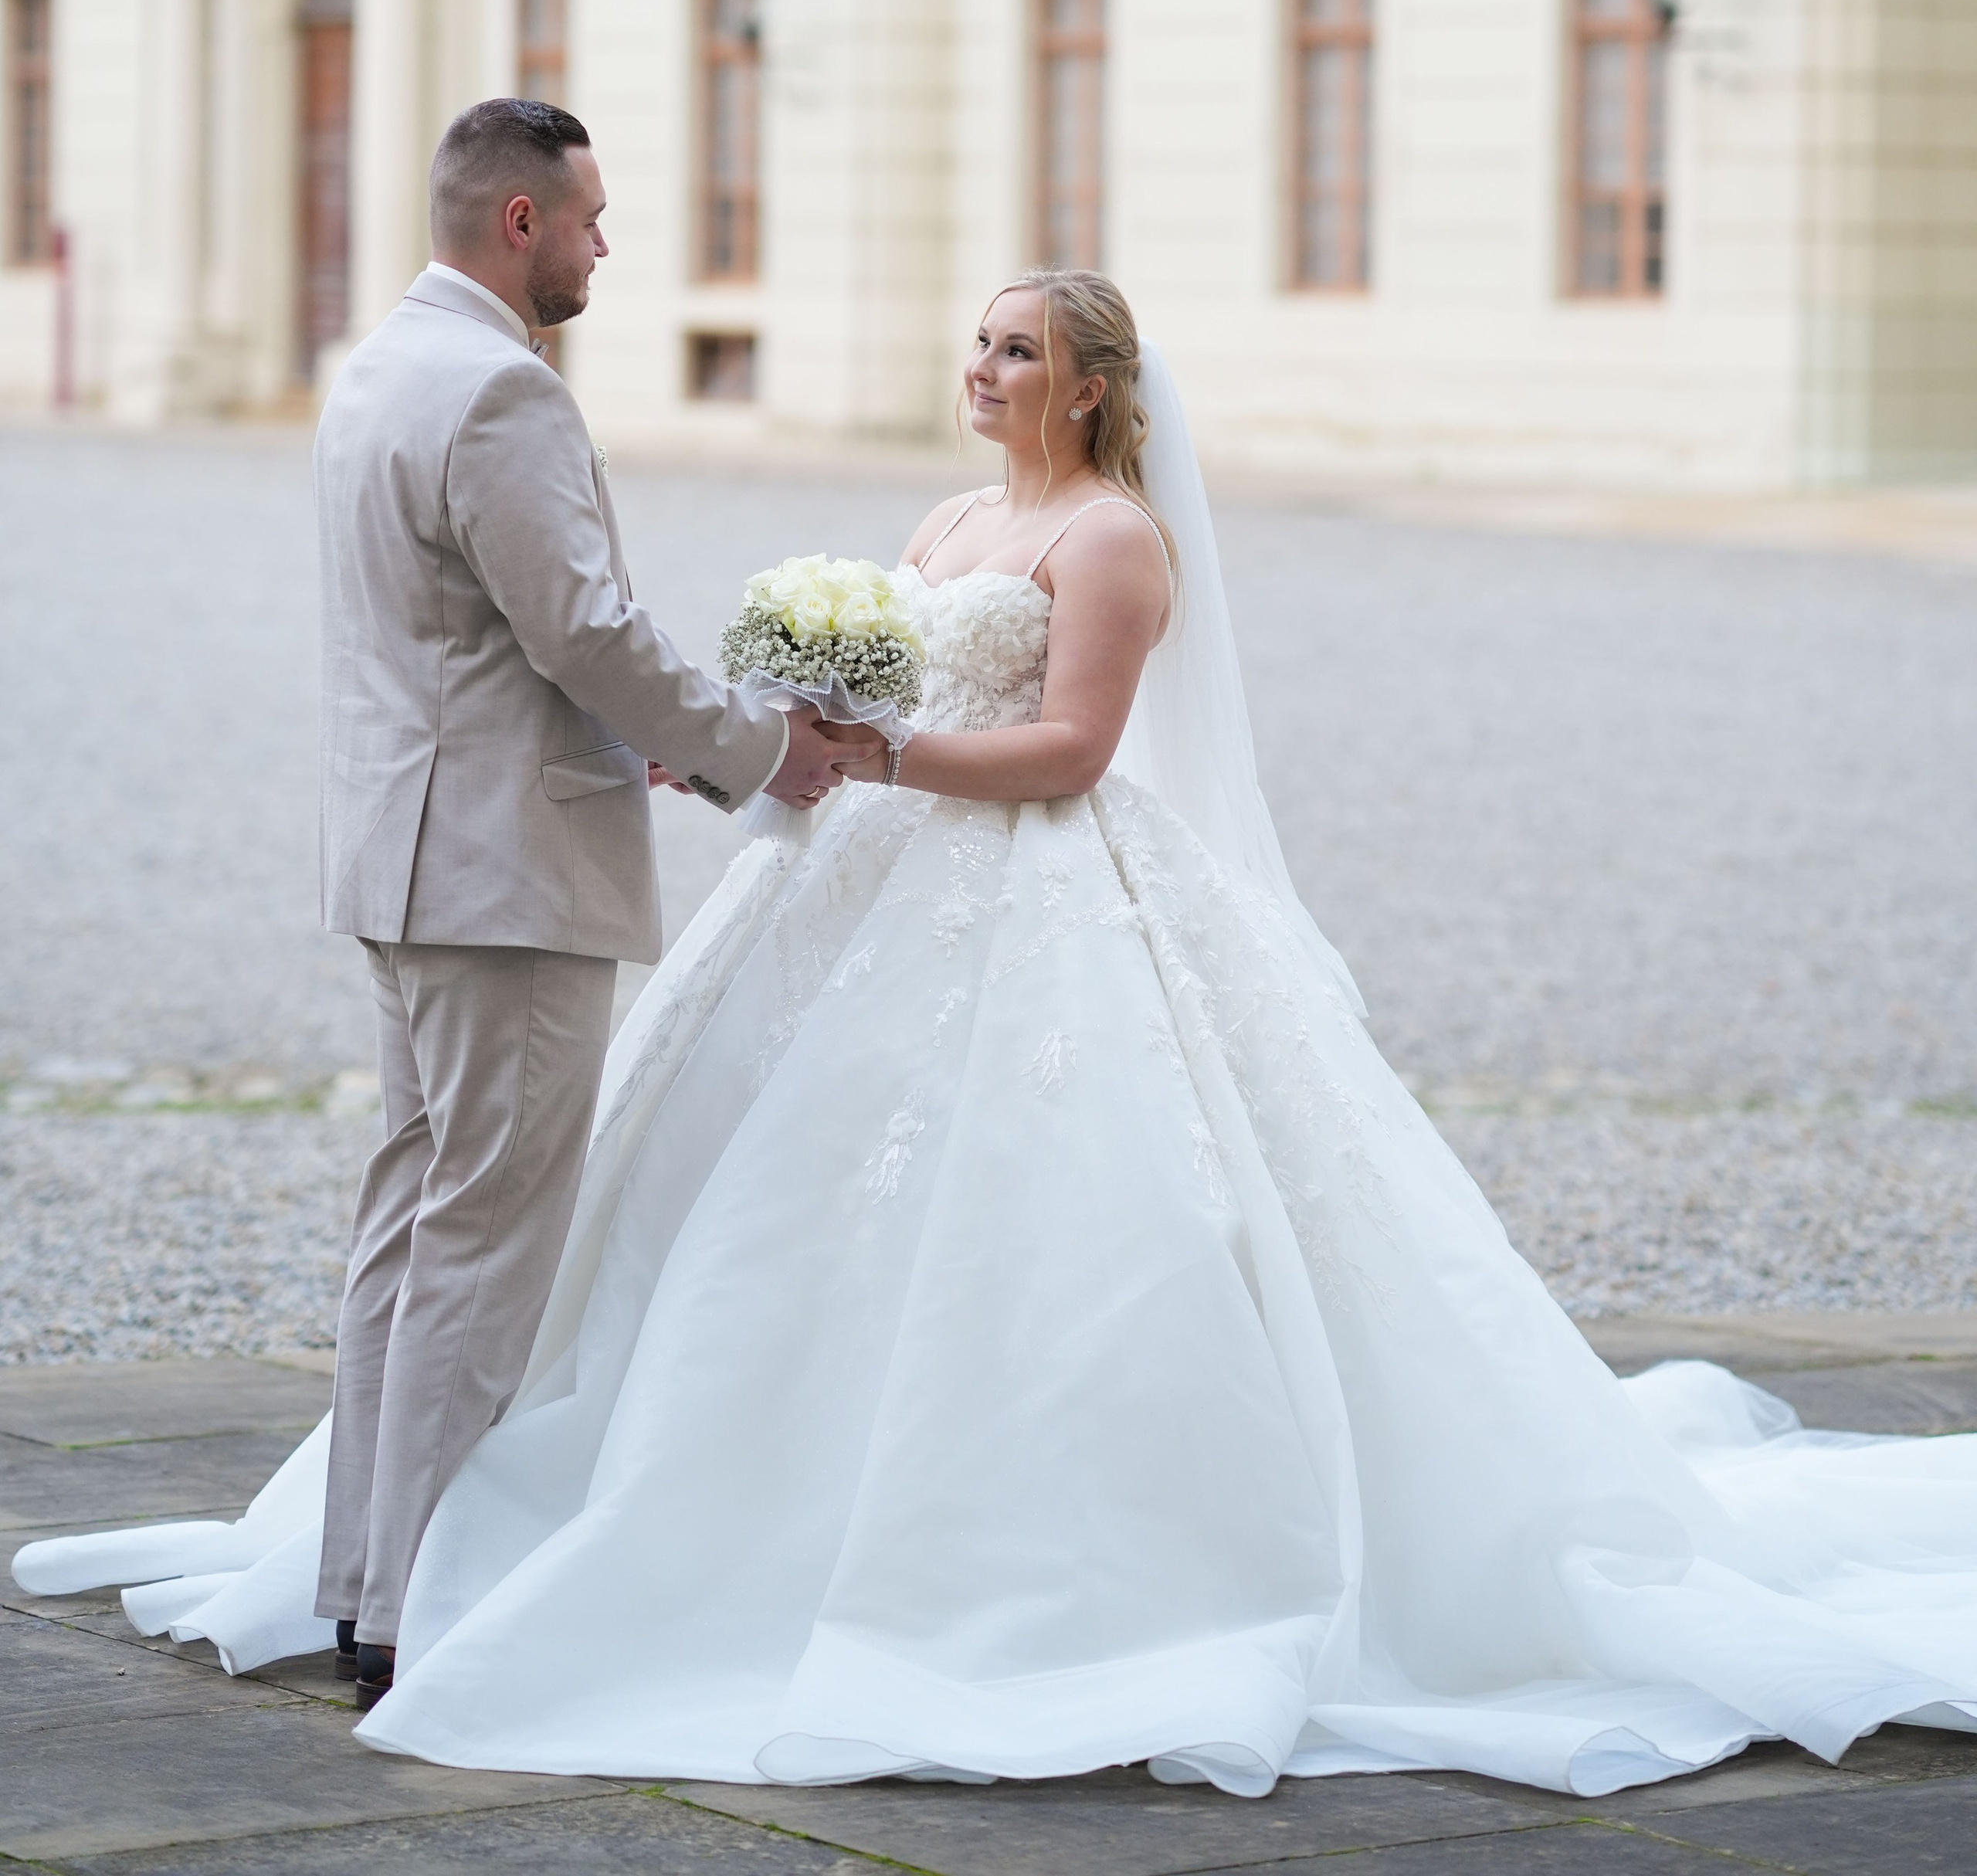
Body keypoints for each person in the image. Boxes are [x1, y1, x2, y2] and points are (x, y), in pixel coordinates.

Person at [18, 271, 1977, 1795]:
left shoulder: (1110, 541)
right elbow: (854, 679)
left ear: (1094, 386)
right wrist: (786, 736)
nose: (980, 370)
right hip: (845, 886)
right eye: (975, 341)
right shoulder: (954, 510)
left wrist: (881, 750)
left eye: (1016, 349)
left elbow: (1072, 750)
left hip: (1024, 896)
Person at [299, 99, 866, 1708]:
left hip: (408, 857)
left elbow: (477, 637)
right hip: (505, 876)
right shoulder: (497, 386)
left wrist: (665, 760)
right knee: (484, 1236)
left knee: (411, 1222)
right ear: (522, 224)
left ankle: (366, 1576)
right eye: (595, 218)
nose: (611, 244)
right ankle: (423, 1609)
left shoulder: (380, 365)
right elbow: (586, 631)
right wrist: (759, 748)